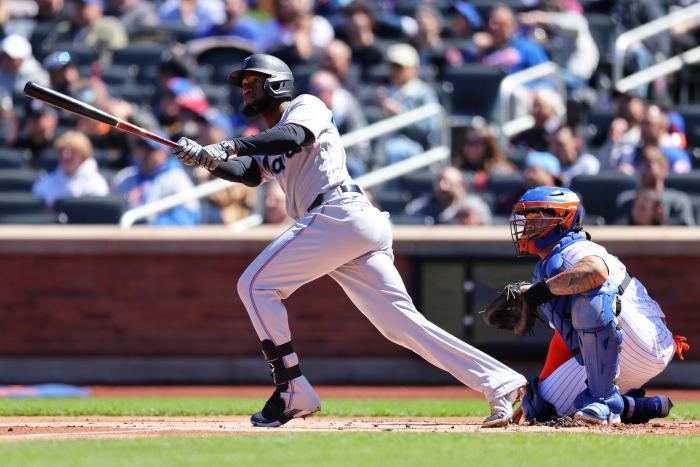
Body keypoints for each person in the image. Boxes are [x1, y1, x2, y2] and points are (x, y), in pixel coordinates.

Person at [172, 53, 527, 428]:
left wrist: (228, 146)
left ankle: (291, 386)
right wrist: (206, 160)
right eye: (242, 84)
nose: (245, 90)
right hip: (344, 225)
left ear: (276, 85)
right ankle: (501, 382)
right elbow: (249, 173)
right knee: (401, 326)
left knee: (255, 286)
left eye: (252, 82)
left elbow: (295, 136)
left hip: (338, 212)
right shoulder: (265, 139)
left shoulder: (304, 106)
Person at [510, 186, 679, 424]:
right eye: (526, 219)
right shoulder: (547, 265)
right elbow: (562, 337)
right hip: (621, 350)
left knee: (591, 295)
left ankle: (605, 401)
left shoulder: (574, 248)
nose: (527, 227)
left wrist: (541, 291)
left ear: (563, 219)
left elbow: (595, 271)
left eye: (536, 218)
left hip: (647, 340)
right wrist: (541, 385)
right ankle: (635, 406)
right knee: (539, 408)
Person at [112, 132, 200, 225]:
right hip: (122, 233)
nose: (145, 153)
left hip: (158, 236)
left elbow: (187, 217)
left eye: (151, 149)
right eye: (142, 146)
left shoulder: (176, 178)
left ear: (164, 152)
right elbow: (109, 209)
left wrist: (150, 227)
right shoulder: (125, 176)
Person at [615, 145, 695, 226]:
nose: (644, 170)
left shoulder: (678, 202)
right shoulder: (627, 200)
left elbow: (688, 231)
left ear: (664, 170)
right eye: (641, 165)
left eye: (649, 166)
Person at [32, 130, 109, 207]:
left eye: (72, 151)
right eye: (62, 150)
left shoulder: (96, 184)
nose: (65, 155)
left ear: (83, 155)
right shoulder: (44, 183)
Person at [617, 104, 692, 175]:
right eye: (642, 123)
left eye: (648, 123)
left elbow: (682, 177)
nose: (643, 128)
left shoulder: (674, 154)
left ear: (662, 126)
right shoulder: (631, 151)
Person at [404, 166, 491, 226]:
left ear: (461, 187)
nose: (442, 187)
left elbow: (488, 232)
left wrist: (475, 225)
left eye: (448, 183)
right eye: (439, 181)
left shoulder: (474, 207)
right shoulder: (418, 207)